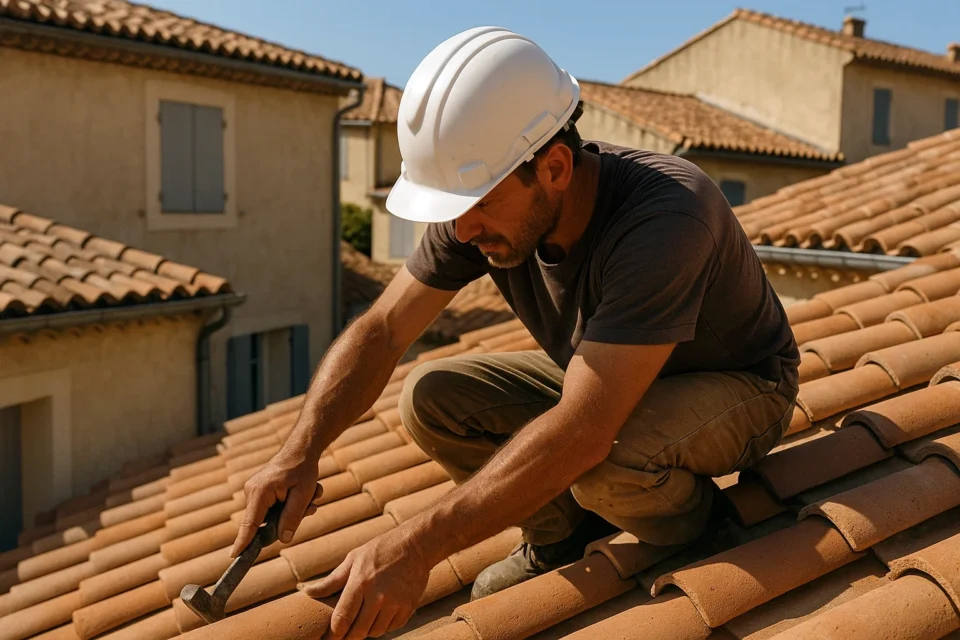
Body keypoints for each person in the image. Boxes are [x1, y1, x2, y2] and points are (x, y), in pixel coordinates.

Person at [230, 26, 800, 640]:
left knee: (608, 461)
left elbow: (585, 429)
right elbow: (384, 328)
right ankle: (564, 531)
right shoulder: (481, 199)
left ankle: (705, 527)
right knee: (431, 395)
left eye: (477, 204)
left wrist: (414, 548)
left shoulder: (667, 216)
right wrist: (301, 451)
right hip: (612, 374)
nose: (463, 228)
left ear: (554, 166)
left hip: (742, 387)